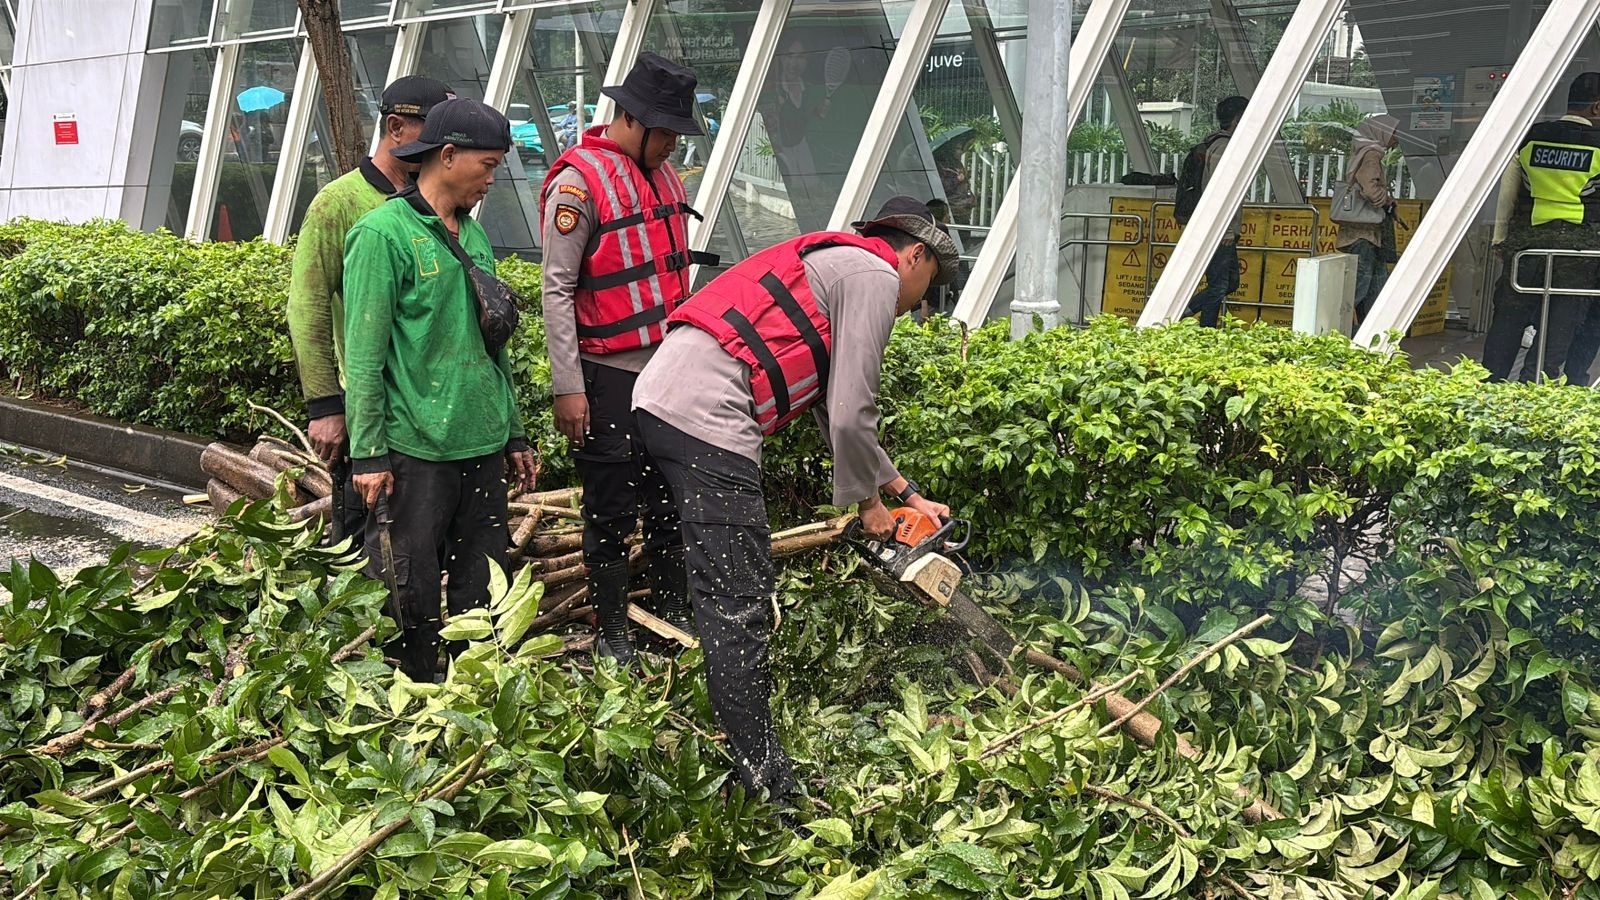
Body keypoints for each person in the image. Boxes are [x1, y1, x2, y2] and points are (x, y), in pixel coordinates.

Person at [631, 196, 959, 801]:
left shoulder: (837, 265)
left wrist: (904, 492)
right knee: (740, 600)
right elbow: (852, 410)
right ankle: (761, 775)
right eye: (929, 284)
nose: (917, 305)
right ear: (915, 256)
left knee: (707, 585)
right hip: (708, 415)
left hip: (662, 400)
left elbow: (832, 403)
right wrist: (869, 508)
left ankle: (703, 725)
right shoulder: (874, 274)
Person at [342, 98, 539, 681]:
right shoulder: (381, 235)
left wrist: (515, 434)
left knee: (483, 585)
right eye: (488, 164)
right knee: (414, 587)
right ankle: (418, 691)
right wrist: (370, 453)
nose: (492, 178)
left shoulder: (475, 237)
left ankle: (473, 693)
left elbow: (492, 347)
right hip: (416, 450)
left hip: (480, 444)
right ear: (447, 156)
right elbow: (364, 354)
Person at [539, 52, 715, 664]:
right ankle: (611, 631)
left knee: (670, 500)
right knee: (610, 506)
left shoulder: (667, 179)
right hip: (606, 374)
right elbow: (557, 288)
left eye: (674, 131)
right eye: (664, 131)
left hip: (666, 375)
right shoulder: (576, 184)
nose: (671, 144)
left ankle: (668, 620)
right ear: (631, 120)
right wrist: (569, 387)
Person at [287, 76, 455, 544]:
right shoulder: (339, 203)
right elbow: (308, 307)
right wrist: (325, 406)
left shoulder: (440, 203)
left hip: (431, 417)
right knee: (371, 548)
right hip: (371, 411)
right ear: (397, 127)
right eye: (433, 131)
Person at [1482, 73, 1600, 382]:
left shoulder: (1531, 137)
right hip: (1579, 255)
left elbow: (1507, 195)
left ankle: (1490, 385)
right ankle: (1533, 389)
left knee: (1508, 321)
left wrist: (1501, 241)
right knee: (1557, 330)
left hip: (1527, 248)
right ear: (1596, 109)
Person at [1182, 95, 1249, 327]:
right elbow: (1220, 191)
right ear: (1238, 119)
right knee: (1220, 284)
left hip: (1217, 227)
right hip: (1219, 229)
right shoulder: (1224, 148)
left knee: (1229, 282)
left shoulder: (1216, 143)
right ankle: (1204, 329)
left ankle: (1188, 311)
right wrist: (1228, 230)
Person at [1336, 115, 1400, 325]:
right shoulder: (1372, 154)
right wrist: (1384, 201)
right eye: (1393, 133)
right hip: (1365, 236)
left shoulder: (1362, 151)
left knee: (1373, 288)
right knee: (1360, 288)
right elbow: (1370, 187)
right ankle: (1335, 330)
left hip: (1361, 235)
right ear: (1381, 132)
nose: (1396, 139)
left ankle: (1366, 330)